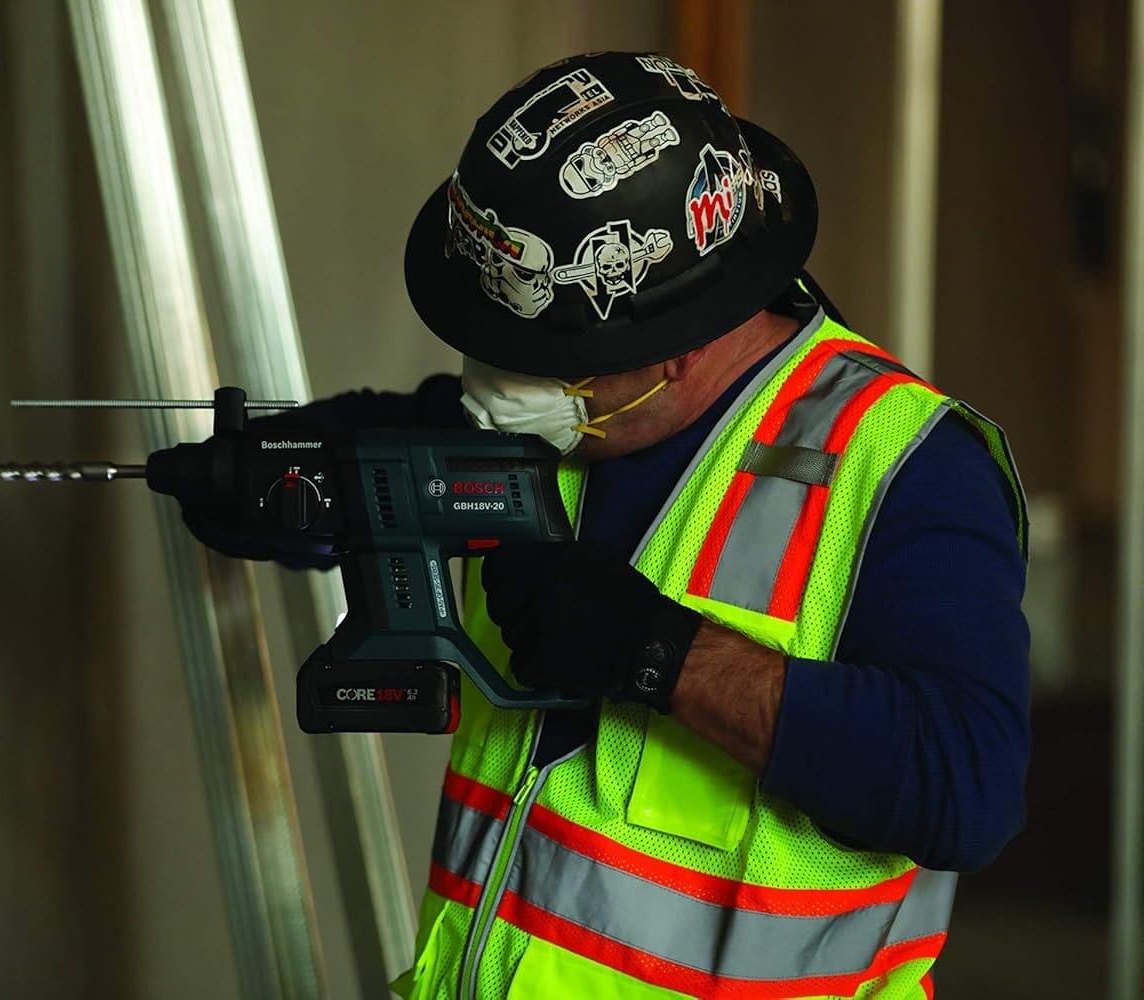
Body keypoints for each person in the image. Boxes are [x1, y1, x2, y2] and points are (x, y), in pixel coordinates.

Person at [197, 51, 1030, 998]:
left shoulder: (905, 470)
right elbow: (398, 445)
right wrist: (276, 480)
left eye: (537, 363)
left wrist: (661, 654)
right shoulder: (559, 431)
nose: (497, 387)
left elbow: (967, 785)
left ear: (671, 347)